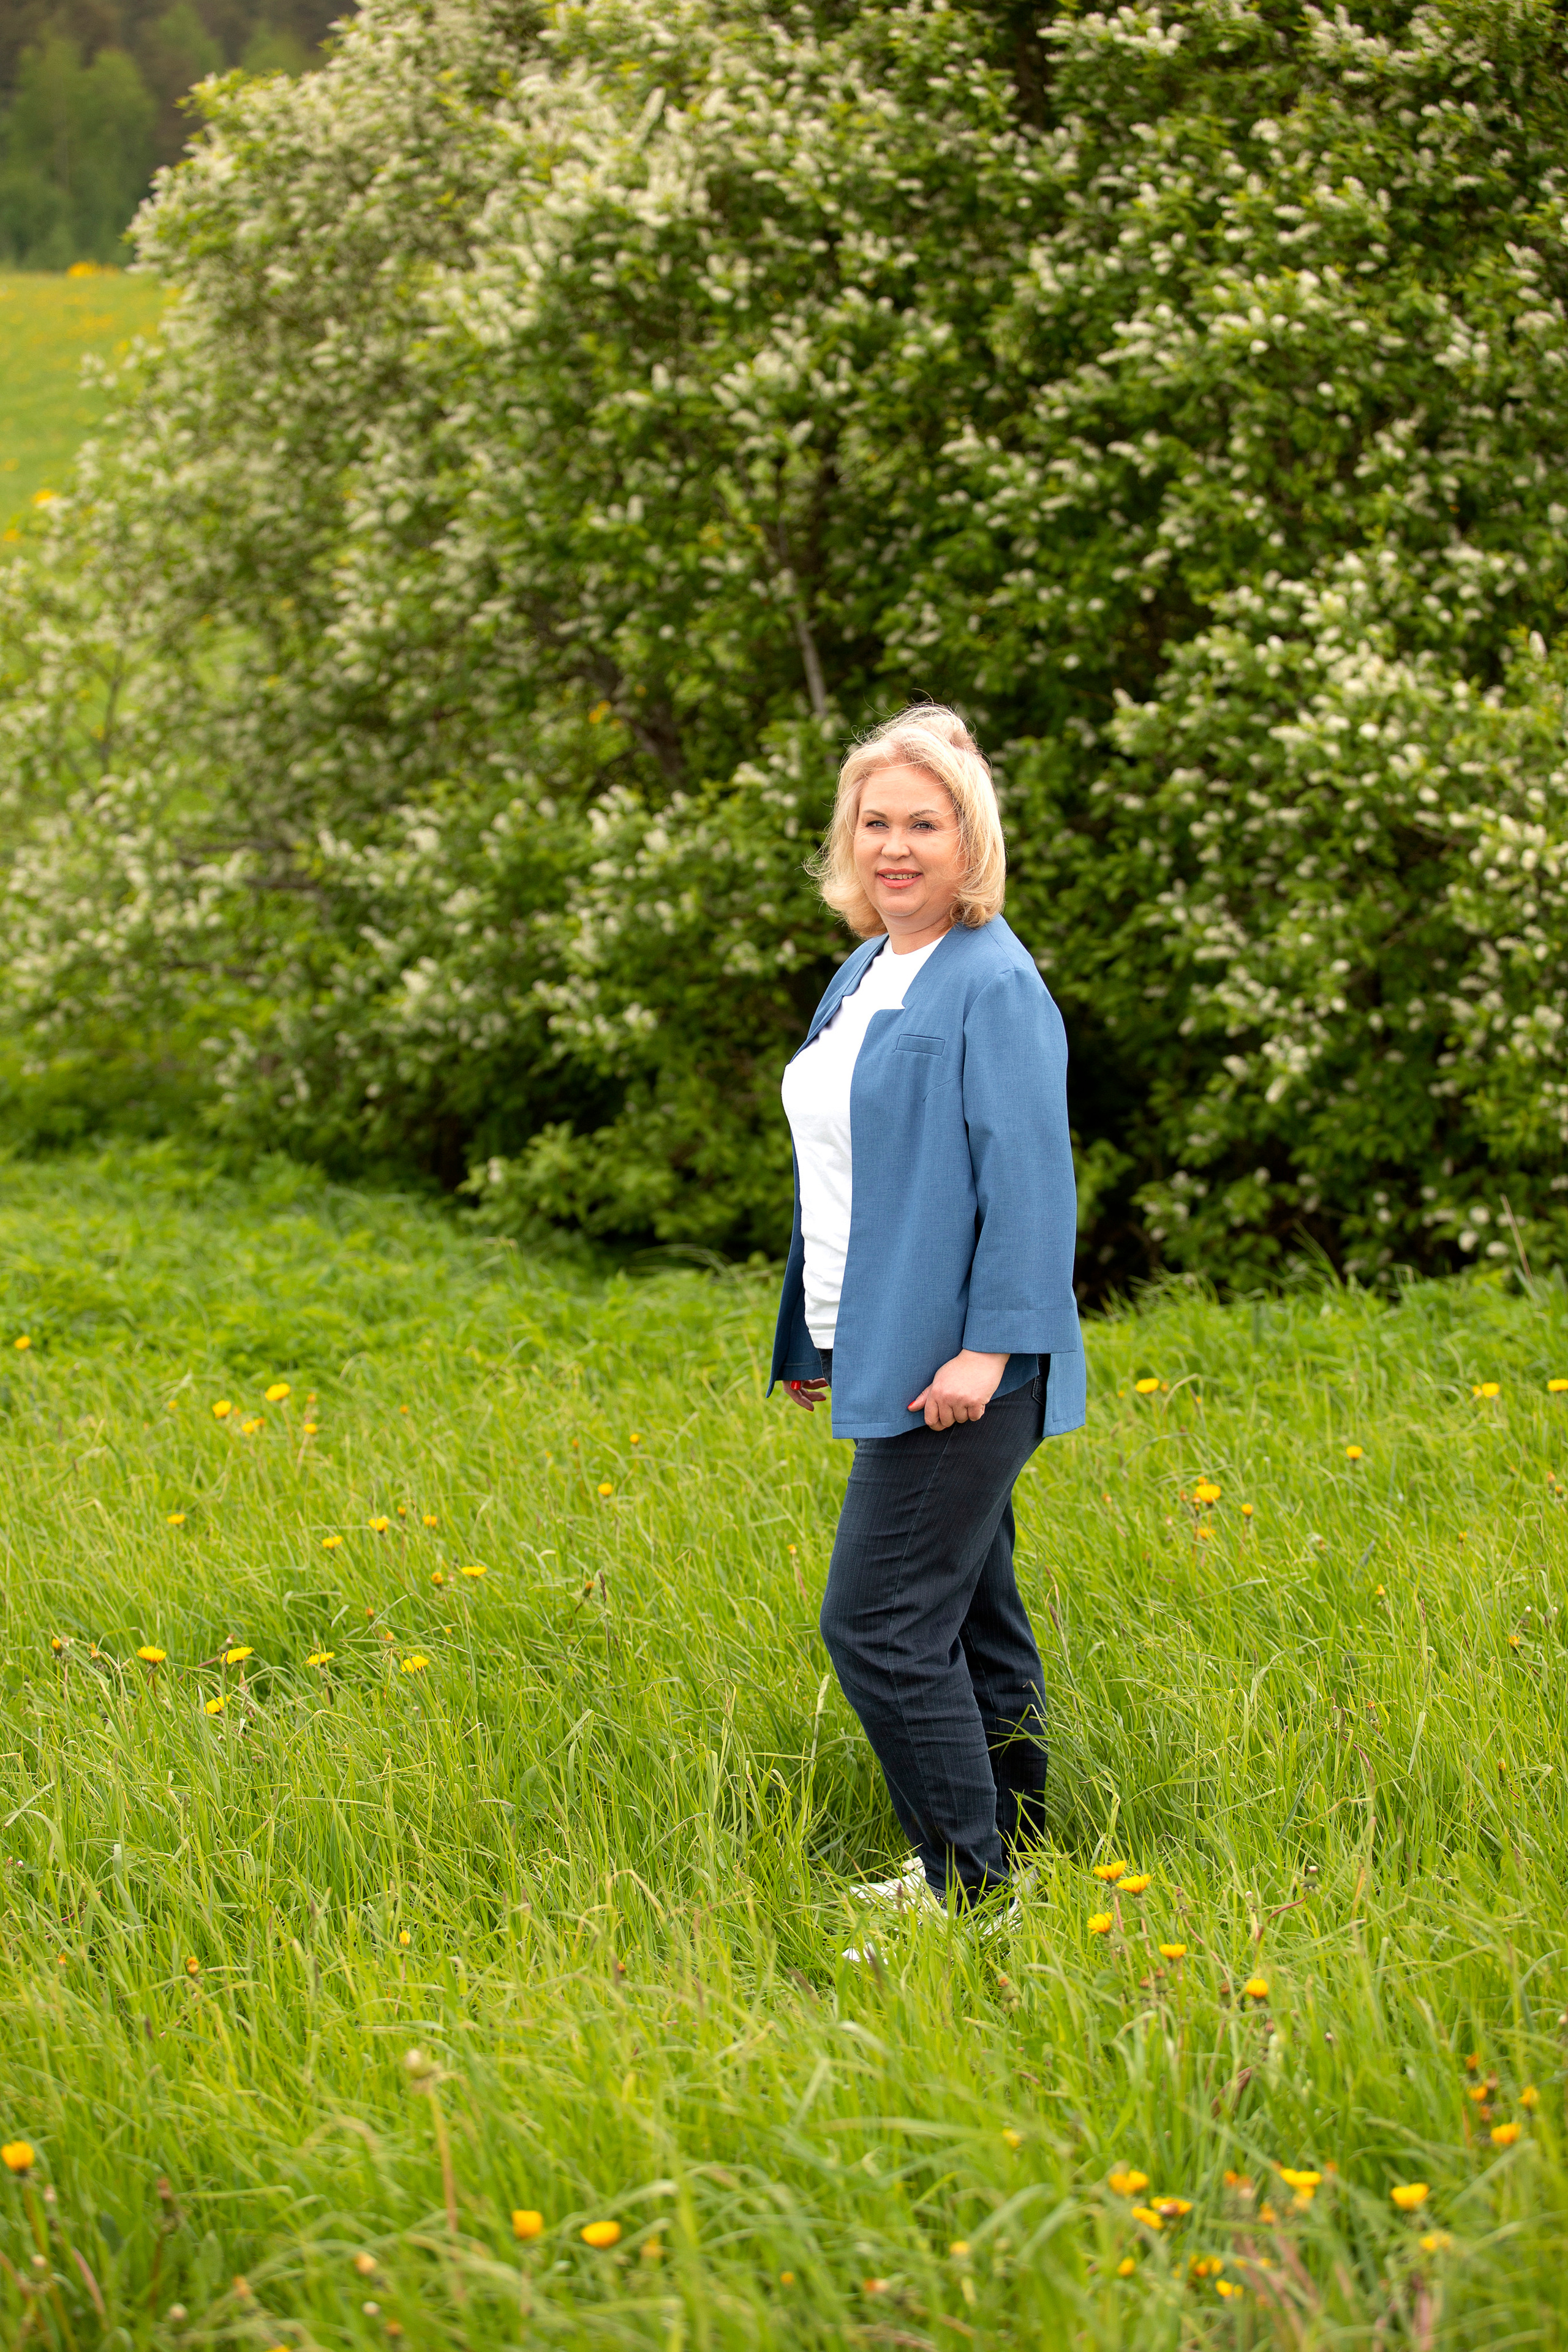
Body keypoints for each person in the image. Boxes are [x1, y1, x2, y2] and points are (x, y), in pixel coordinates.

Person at [771, 705, 1084, 1914]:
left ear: (971, 841)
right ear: (848, 839)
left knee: (879, 1622)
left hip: (960, 1365)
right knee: (965, 1616)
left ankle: (968, 1889)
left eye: (923, 822)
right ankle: (1022, 1850)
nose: (894, 845)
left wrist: (989, 1348)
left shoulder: (991, 980)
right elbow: (847, 1167)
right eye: (874, 821)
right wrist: (818, 1336)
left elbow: (1028, 1190)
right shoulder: (865, 968)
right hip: (881, 1339)